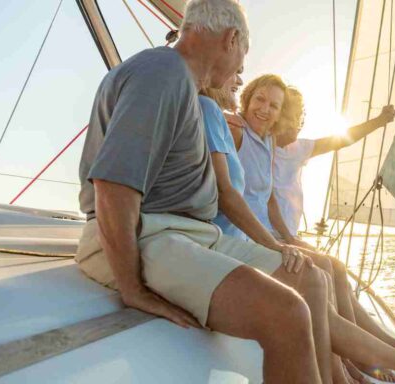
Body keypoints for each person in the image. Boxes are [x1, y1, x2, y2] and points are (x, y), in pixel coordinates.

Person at [75, 1, 328, 382]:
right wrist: (133, 289)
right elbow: (112, 186)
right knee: (287, 312)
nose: (241, 68)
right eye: (243, 55)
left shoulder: (183, 84)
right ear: (232, 39)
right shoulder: (162, 73)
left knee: (311, 278)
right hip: (147, 233)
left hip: (189, 234)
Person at [197, 77, 395, 383]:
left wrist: (290, 238)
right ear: (246, 99)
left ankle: (370, 361)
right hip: (247, 240)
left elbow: (270, 197)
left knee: (326, 270)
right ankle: (358, 368)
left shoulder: (267, 142)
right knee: (320, 272)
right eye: (259, 100)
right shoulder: (233, 128)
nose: (266, 110)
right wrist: (278, 242)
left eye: (275, 106)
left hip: (265, 238)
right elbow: (225, 185)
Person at [272, 86, 395, 239]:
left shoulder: (299, 148)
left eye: (298, 117)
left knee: (332, 264)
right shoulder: (257, 144)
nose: (296, 123)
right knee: (327, 264)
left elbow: (341, 140)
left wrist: (379, 121)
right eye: (289, 116)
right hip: (266, 235)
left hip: (288, 236)